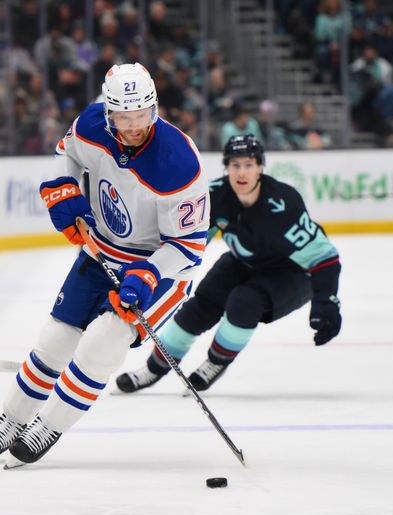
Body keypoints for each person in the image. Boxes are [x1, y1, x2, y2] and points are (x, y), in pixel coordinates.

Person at [0, 63, 209, 466]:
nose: (134, 126)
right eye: (123, 117)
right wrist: (60, 189)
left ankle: (48, 426)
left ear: (153, 108)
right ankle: (11, 419)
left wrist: (149, 273)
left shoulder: (179, 161)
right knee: (56, 338)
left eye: (141, 115)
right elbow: (66, 155)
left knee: (104, 340)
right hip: (101, 251)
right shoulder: (91, 124)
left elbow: (189, 246)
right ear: (108, 112)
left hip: (159, 271)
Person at [116, 134, 342, 394]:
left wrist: (326, 301)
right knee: (197, 309)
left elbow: (324, 258)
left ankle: (215, 362)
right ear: (226, 167)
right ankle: (153, 369)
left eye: (248, 164)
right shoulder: (215, 196)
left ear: (260, 167)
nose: (241, 172)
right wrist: (149, 274)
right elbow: (187, 245)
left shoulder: (283, 204)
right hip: (242, 261)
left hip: (291, 274)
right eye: (235, 165)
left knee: (244, 302)